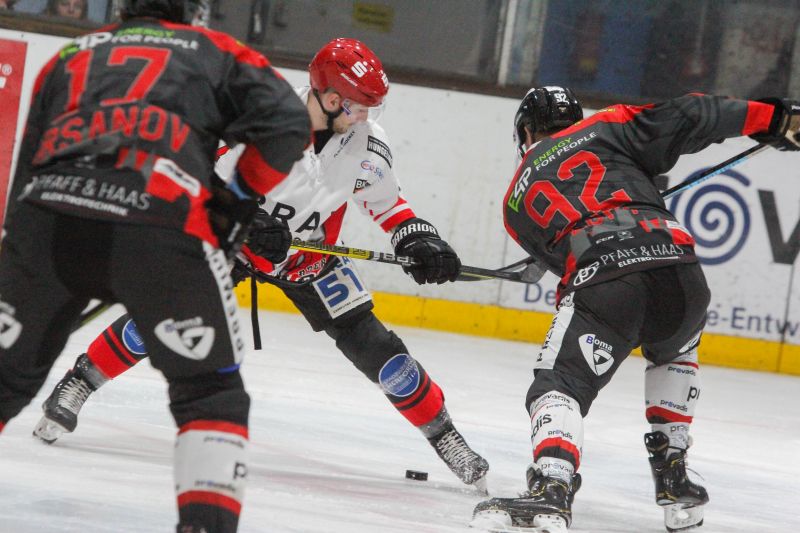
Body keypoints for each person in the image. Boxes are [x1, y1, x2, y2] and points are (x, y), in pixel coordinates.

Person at [33, 37, 490, 489]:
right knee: (158, 319)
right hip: (232, 244)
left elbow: (390, 206)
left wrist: (420, 238)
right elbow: (188, 170)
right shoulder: (259, 120)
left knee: (378, 350)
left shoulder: (367, 145)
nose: (366, 118)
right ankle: (79, 382)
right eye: (358, 106)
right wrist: (244, 218)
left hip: (307, 260)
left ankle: (447, 438)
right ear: (330, 99)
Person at [0, 0, 310, 531]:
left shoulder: (70, 54)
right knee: (211, 394)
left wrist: (18, 257)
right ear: (192, 13)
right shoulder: (214, 50)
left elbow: (25, 166)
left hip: (48, 221)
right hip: (160, 224)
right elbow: (288, 123)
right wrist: (236, 201)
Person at [471, 87, 800, 532]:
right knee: (676, 350)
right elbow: (694, 113)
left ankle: (551, 486)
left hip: (608, 282)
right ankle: (673, 471)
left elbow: (566, 266)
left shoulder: (514, 202)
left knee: (561, 381)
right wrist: (773, 118)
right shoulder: (607, 126)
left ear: (525, 132)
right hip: (681, 273)